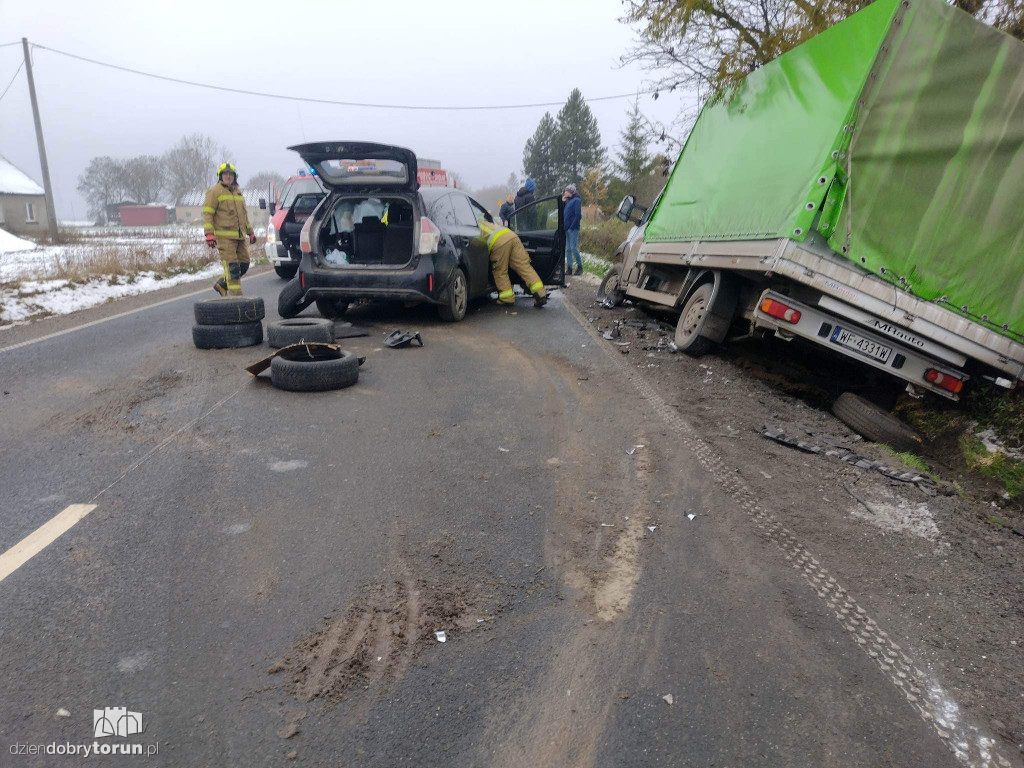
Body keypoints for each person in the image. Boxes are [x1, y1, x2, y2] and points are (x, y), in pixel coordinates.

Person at [204, 162, 255, 296]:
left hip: (240, 237)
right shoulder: (214, 191)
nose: (228, 176)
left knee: (244, 264)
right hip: (225, 239)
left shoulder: (238, 192)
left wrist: (251, 232)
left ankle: (221, 284)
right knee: (232, 269)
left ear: (234, 177)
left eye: (230, 174)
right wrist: (209, 234)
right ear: (220, 176)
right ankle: (237, 300)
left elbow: (244, 216)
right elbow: (208, 213)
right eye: (225, 174)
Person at [478, 218, 548, 308]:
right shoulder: (484, 222)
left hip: (499, 242)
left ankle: (507, 299)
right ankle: (541, 294)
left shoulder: (472, 227)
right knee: (524, 267)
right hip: (511, 236)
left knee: (500, 271)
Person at [563, 184, 583, 276]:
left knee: (574, 248)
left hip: (573, 229)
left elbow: (578, 215)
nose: (565, 192)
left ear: (571, 192)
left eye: (566, 191)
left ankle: (580, 267)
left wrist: (571, 227)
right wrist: (563, 202)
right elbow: (564, 213)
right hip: (567, 229)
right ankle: (569, 268)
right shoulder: (568, 201)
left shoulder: (576, 201)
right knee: (568, 249)